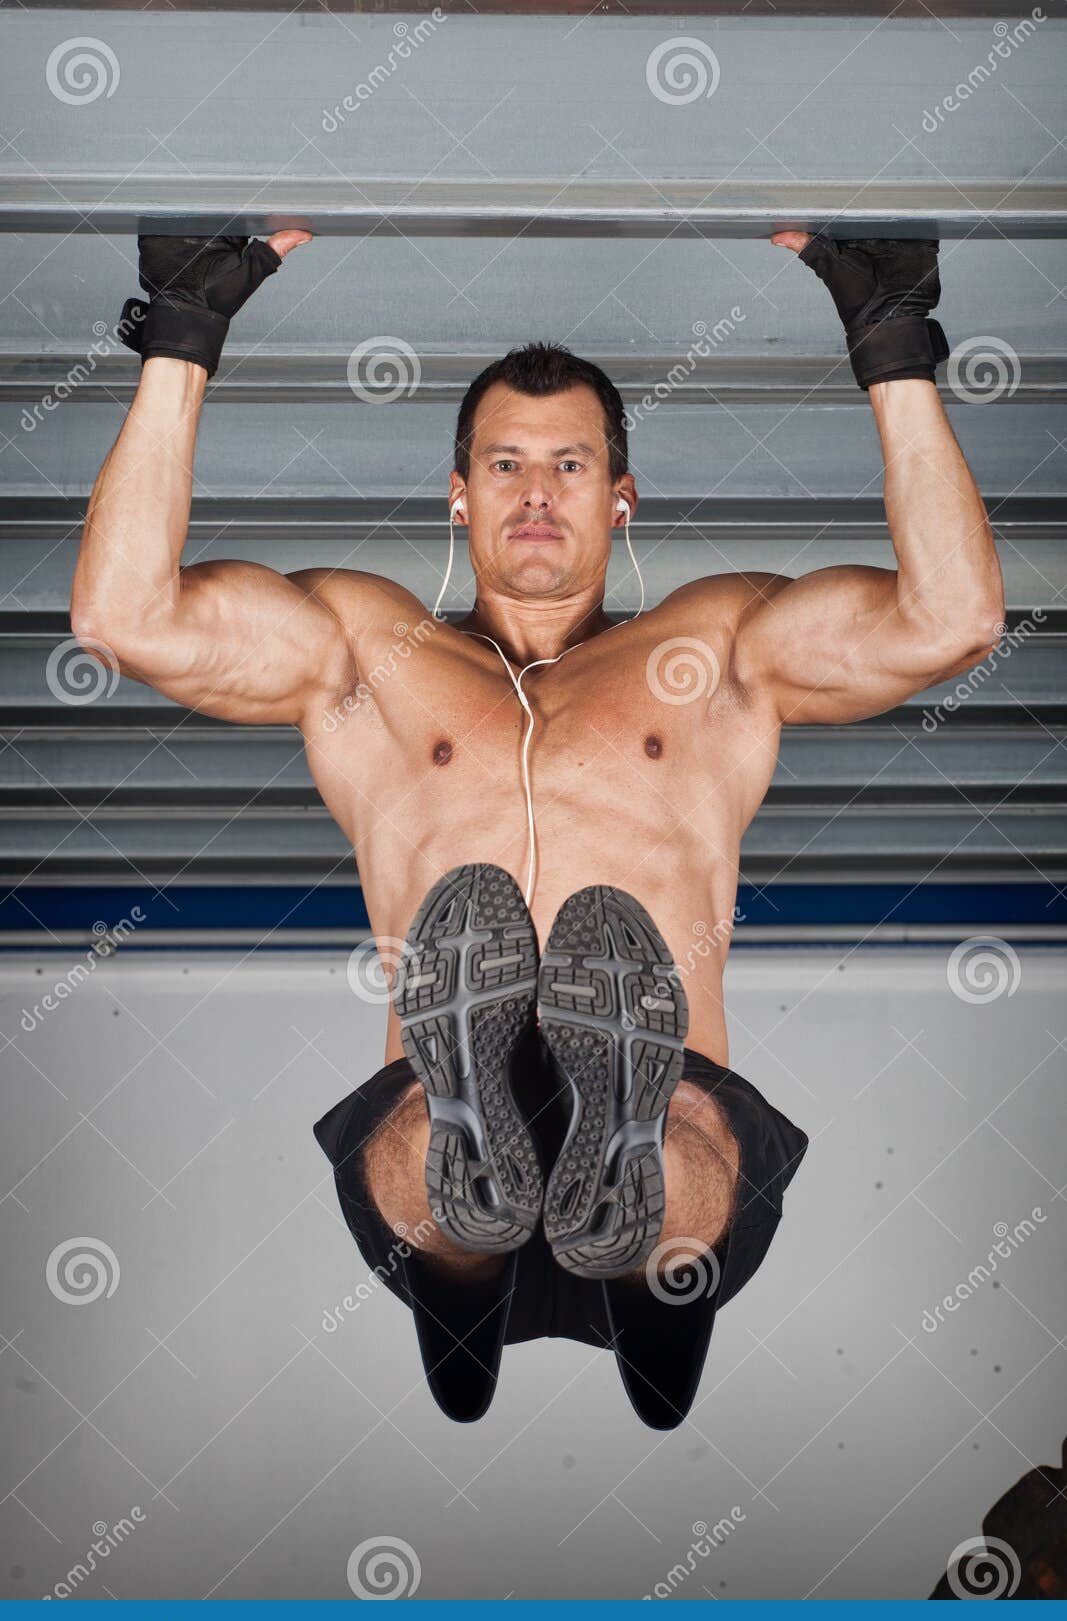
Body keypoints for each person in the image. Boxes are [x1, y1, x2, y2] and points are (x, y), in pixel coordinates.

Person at [72, 230, 1005, 1428]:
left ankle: (562, 1226)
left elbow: (952, 620)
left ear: (621, 492)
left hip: (657, 1084)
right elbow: (123, 616)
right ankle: (511, 1220)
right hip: (486, 1096)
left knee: (651, 1136)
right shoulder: (372, 652)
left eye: (569, 464)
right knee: (460, 1132)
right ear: (457, 490)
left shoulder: (710, 649)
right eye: (504, 463)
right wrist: (181, 332)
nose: (534, 492)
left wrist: (894, 349)